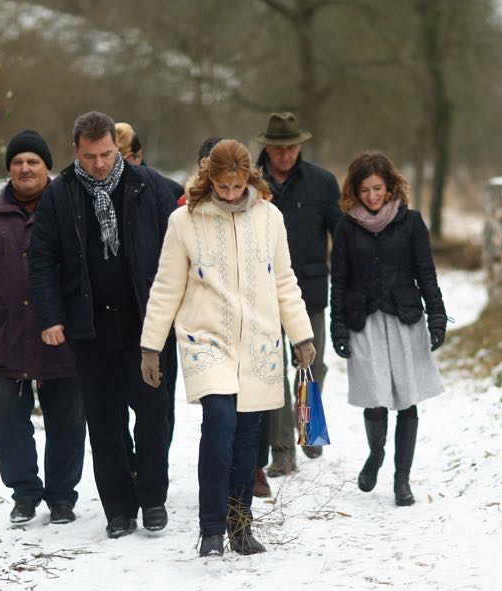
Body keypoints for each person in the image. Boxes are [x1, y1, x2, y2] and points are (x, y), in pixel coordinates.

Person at [139, 139, 315, 557]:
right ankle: (212, 528)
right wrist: (151, 345)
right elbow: (166, 287)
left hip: (259, 341)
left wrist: (302, 334)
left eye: (238, 186)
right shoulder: (185, 221)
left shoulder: (270, 217)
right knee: (219, 428)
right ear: (210, 180)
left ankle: (241, 525)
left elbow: (285, 280)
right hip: (207, 339)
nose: (231, 193)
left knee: (246, 442)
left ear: (249, 179)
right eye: (223, 186)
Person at [29, 111, 179, 539]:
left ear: (119, 147)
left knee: (153, 412)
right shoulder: (60, 195)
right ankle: (118, 506)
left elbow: (178, 251)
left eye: (107, 154)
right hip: (88, 325)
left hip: (145, 321)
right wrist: (50, 316)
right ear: (76, 150)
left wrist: (176, 311)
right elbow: (42, 259)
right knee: (104, 419)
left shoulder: (148, 186)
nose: (99, 163)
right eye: (91, 155)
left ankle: (152, 496)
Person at [0, 130, 87, 526]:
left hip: (62, 339)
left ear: (47, 168)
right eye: (18, 162)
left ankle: (61, 496)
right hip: (2, 337)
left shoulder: (71, 206)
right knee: (6, 422)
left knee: (68, 421)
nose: (25, 168)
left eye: (34, 162)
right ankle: (24, 492)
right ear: (9, 168)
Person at [330, 151, 447, 507]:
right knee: (375, 400)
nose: (372, 196)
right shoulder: (346, 227)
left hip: (404, 318)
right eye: (364, 190)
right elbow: (340, 281)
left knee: (407, 402)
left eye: (378, 188)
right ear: (355, 190)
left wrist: (437, 316)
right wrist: (338, 329)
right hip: (363, 321)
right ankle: (376, 454)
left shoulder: (410, 223)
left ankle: (402, 479)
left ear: (390, 185)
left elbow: (426, 273)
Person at [255, 111, 341, 479]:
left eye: (291, 147)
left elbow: (341, 235)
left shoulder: (321, 183)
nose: (285, 155)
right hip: (262, 294)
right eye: (278, 148)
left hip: (310, 292)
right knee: (272, 373)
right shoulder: (251, 183)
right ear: (267, 148)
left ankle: (308, 430)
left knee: (310, 366)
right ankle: (282, 450)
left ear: (300, 146)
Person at [115, 121, 184, 201]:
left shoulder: (172, 191)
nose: (115, 168)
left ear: (138, 157)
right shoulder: (100, 192)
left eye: (121, 161)